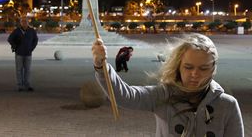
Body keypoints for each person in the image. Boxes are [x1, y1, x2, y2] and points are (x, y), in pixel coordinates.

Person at [92, 33, 244, 136]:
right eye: (188, 67)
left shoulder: (228, 105)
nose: (195, 74)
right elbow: (126, 95)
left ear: (213, 69)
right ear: (179, 65)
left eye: (203, 68)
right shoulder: (163, 95)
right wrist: (101, 66)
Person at [7, 16, 38, 92]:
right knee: (19, 70)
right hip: (19, 53)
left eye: (26, 21)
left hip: (28, 53)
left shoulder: (31, 31)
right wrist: (15, 47)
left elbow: (35, 40)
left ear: (28, 22)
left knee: (28, 70)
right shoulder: (17, 31)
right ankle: (20, 86)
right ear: (20, 23)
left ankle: (27, 85)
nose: (24, 23)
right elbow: (10, 39)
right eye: (22, 21)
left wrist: (31, 48)